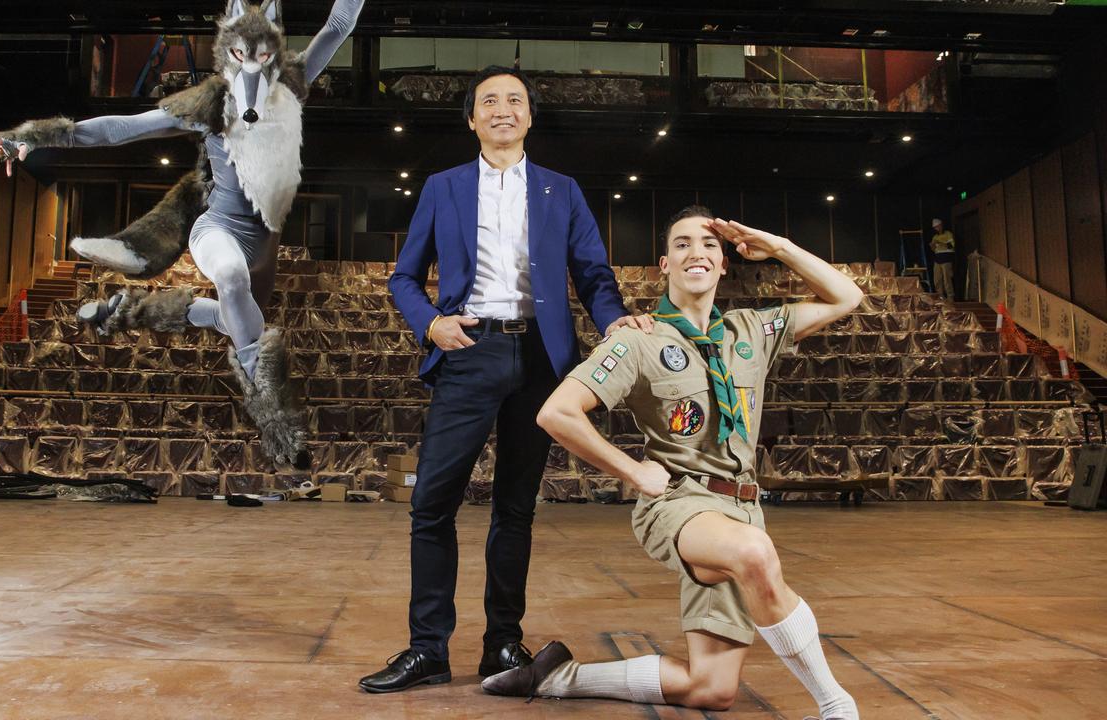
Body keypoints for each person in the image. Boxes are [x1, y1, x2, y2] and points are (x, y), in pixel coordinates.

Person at [483, 206, 863, 720]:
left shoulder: (754, 329)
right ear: (664, 264)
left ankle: (559, 677)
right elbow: (557, 413)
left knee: (710, 689)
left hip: (742, 507)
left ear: (725, 263)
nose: (696, 253)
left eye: (709, 245)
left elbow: (848, 296)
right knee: (754, 554)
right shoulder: (638, 339)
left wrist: (777, 246)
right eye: (682, 244)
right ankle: (835, 704)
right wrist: (634, 472)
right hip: (682, 503)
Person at [0, 0, 365, 467]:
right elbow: (120, 129)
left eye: (262, 59)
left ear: (274, 56)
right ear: (227, 57)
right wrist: (33, 137)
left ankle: (129, 309)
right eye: (240, 58)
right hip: (217, 229)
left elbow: (339, 24)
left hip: (264, 243)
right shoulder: (209, 102)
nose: (252, 72)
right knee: (231, 281)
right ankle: (274, 419)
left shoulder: (293, 83)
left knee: (234, 318)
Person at [358, 65, 645, 694]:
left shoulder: (561, 190)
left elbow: (593, 274)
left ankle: (502, 645)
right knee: (433, 503)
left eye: (515, 100)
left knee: (516, 508)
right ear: (472, 119)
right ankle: (427, 649)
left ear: (530, 117)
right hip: (469, 349)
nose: (502, 109)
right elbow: (403, 277)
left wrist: (615, 319)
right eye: (489, 101)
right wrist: (431, 324)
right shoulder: (443, 186)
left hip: (542, 359)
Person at [930, 218, 955, 300]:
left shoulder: (948, 234)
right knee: (937, 279)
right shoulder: (935, 237)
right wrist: (932, 246)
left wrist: (940, 243)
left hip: (946, 258)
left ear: (941, 225)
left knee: (947, 279)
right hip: (937, 259)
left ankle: (950, 297)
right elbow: (934, 250)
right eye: (935, 228)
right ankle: (941, 297)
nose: (937, 229)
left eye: (938, 226)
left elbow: (951, 246)